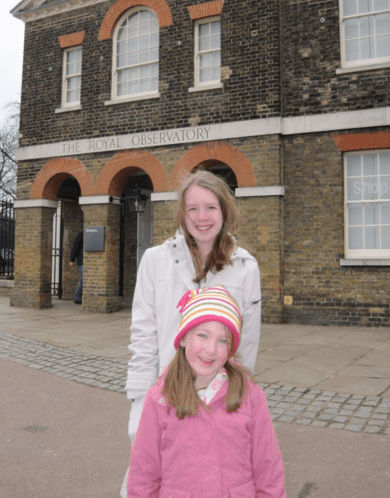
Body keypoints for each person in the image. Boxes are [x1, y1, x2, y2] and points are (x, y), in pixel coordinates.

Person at [121, 170, 261, 496]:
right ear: (182, 213)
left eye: (210, 207)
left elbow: (248, 343)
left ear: (225, 211)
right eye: (192, 208)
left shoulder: (245, 268)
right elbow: (143, 336)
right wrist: (140, 405)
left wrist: (238, 401)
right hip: (166, 397)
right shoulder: (155, 261)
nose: (201, 217)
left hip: (219, 399)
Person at [127, 285, 286, 497]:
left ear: (230, 349)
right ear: (183, 338)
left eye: (223, 340)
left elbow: (269, 469)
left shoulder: (250, 395)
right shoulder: (159, 398)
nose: (211, 349)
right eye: (202, 335)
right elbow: (143, 474)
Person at [69, 231, 83, 304]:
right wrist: (72, 260)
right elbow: (75, 247)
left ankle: (79, 297)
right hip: (81, 261)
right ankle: (77, 297)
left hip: (87, 262)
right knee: (83, 279)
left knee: (83, 280)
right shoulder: (81, 234)